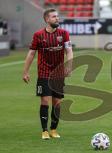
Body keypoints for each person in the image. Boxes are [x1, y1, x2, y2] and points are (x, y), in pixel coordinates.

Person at [22, 8, 73, 140]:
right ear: (47, 19)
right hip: (44, 72)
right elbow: (31, 53)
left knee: (57, 102)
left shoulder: (64, 34)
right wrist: (25, 71)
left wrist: (69, 65)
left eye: (57, 16)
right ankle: (44, 131)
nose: (57, 18)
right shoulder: (38, 35)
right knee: (45, 100)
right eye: (54, 17)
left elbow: (69, 50)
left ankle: (53, 130)